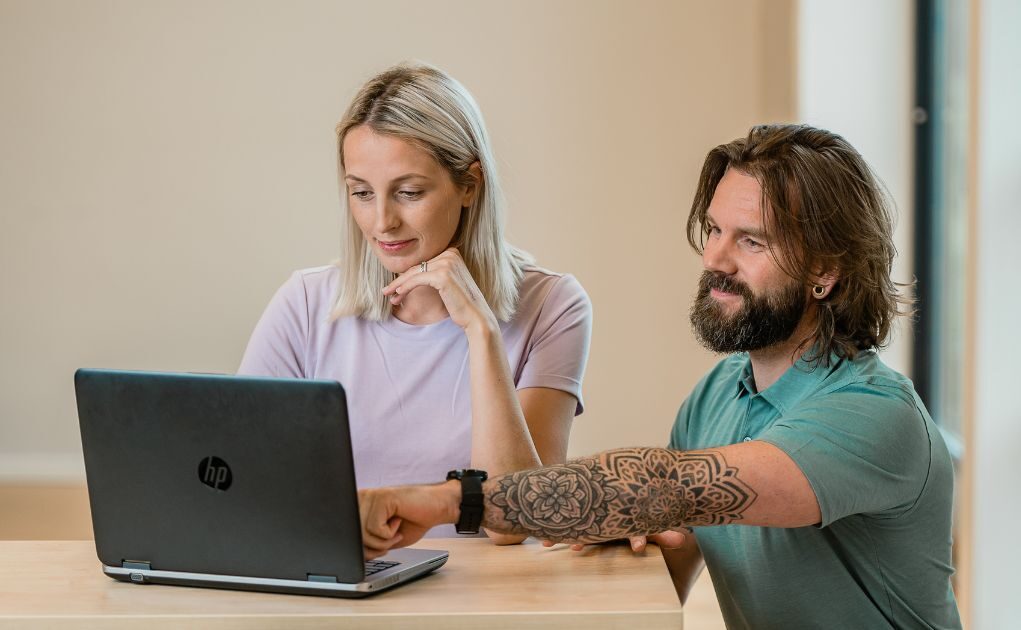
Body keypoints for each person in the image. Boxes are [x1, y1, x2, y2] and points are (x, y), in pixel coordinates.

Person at [358, 124, 962, 628]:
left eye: (751, 241)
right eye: (715, 231)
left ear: (825, 272)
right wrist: (629, 528)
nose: (715, 260)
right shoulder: (719, 395)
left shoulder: (873, 415)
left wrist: (440, 500)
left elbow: (672, 485)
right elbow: (668, 557)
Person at [239, 63, 592, 542]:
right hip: (343, 589)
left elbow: (520, 524)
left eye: (408, 192)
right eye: (361, 193)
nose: (382, 221)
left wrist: (481, 332)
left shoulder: (553, 305)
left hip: (487, 601)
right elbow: (240, 478)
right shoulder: (306, 303)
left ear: (469, 185)